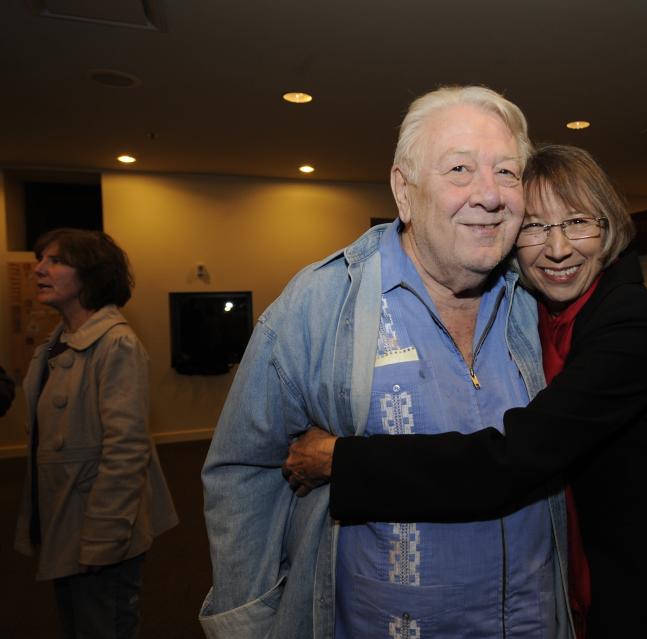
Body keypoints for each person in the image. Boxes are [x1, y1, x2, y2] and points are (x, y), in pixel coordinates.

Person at [283, 145, 647, 637]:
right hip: (561, 586)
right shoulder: (530, 309)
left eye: (577, 223)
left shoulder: (631, 317)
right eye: (534, 226)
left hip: (635, 597)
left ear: (608, 228)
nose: (558, 248)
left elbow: (510, 459)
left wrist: (342, 459)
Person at [199, 86, 575, 639]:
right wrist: (250, 623)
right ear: (405, 189)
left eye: (507, 172)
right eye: (459, 169)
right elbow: (243, 472)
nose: (490, 196)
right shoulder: (322, 302)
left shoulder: (540, 296)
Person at [13, 228, 179, 639]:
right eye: (41, 259)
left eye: (55, 261)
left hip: (98, 531)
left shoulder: (116, 344)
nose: (39, 269)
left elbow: (126, 452)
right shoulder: (58, 344)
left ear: (90, 275)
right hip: (64, 522)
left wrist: (102, 540)